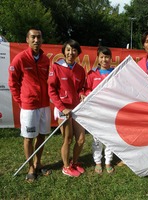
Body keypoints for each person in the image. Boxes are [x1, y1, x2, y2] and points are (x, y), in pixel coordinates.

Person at [8, 28, 51, 182]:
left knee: (42, 135)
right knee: (28, 137)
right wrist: (21, 101)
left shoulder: (46, 59)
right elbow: (12, 82)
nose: (36, 40)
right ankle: (30, 167)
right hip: (29, 105)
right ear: (27, 39)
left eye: (39, 37)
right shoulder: (20, 58)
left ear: (42, 39)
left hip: (44, 104)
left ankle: (38, 162)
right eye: (33, 37)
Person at [48, 39, 85, 177]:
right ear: (64, 51)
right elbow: (51, 90)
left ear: (77, 53)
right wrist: (62, 108)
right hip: (63, 108)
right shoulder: (57, 67)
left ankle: (74, 162)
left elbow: (82, 88)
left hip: (76, 108)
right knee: (68, 139)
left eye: (74, 50)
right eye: (68, 49)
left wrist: (81, 94)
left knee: (81, 139)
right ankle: (65, 166)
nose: (71, 53)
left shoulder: (80, 69)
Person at [84, 46, 115, 174]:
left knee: (109, 137)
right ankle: (97, 161)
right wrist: (87, 94)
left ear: (111, 58)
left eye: (107, 57)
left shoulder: (115, 72)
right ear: (98, 58)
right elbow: (86, 89)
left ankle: (108, 161)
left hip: (111, 111)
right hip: (96, 112)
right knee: (97, 138)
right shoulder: (92, 74)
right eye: (101, 57)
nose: (104, 59)